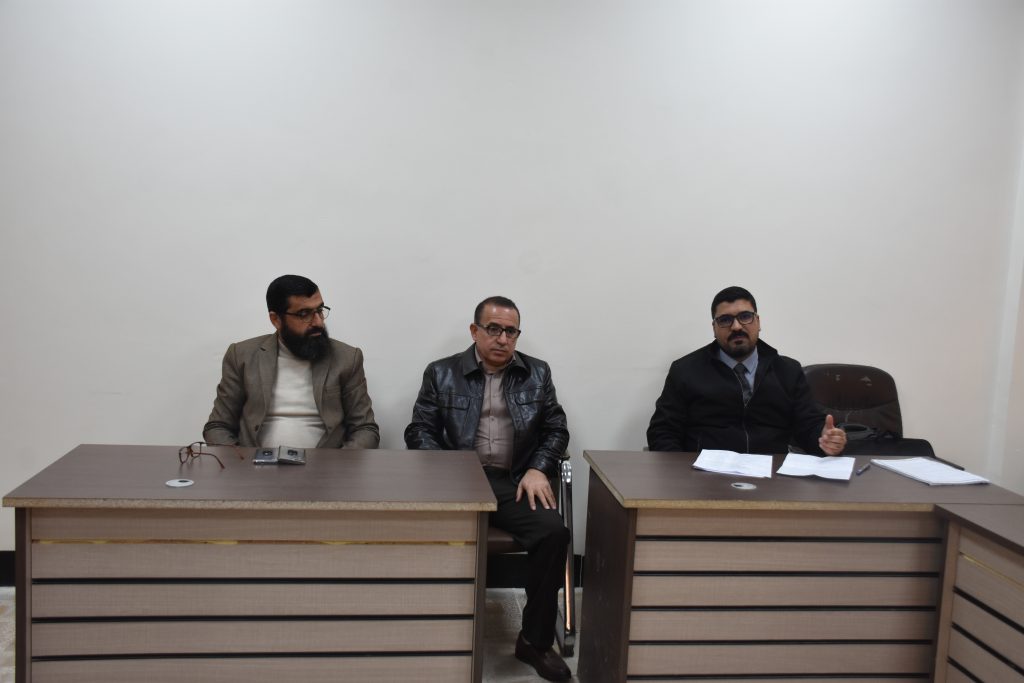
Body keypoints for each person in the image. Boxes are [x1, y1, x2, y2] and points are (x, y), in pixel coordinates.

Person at [405, 296, 571, 682]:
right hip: (459, 479)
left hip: (514, 481)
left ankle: (534, 641)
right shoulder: (441, 372)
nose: (502, 339)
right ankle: (432, 628)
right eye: (493, 329)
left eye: (510, 331)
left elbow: (556, 429)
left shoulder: (537, 373)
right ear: (474, 331)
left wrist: (538, 468)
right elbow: (419, 430)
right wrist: (450, 471)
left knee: (553, 533)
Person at [647, 286, 846, 455]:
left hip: (773, 477)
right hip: (704, 476)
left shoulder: (787, 371)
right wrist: (681, 474)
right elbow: (662, 432)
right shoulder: (685, 371)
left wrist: (825, 439)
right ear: (714, 328)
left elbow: (808, 426)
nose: (736, 327)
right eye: (725, 320)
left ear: (758, 322)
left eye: (745, 317)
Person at [204, 274, 379, 449]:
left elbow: (365, 429)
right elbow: (218, 426)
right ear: (276, 319)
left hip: (327, 464)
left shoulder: (347, 358)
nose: (318, 322)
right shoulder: (242, 356)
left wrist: (339, 462)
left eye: (319, 310)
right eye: (304, 314)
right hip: (255, 462)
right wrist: (241, 460)